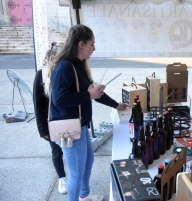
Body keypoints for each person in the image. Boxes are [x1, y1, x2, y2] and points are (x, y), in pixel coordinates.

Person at [44, 24, 129, 201]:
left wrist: (116, 105)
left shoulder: (78, 65)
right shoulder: (64, 67)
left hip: (80, 127)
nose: (94, 48)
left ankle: (84, 195)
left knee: (88, 162)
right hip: (70, 131)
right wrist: (88, 94)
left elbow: (92, 93)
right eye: (92, 44)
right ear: (81, 44)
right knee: (75, 173)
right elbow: (60, 100)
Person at [33, 42, 68, 194]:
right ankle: (62, 179)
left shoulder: (66, 72)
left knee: (70, 149)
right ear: (53, 57)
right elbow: (38, 104)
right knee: (57, 151)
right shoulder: (41, 75)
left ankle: (72, 176)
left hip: (68, 119)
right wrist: (43, 129)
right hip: (51, 123)